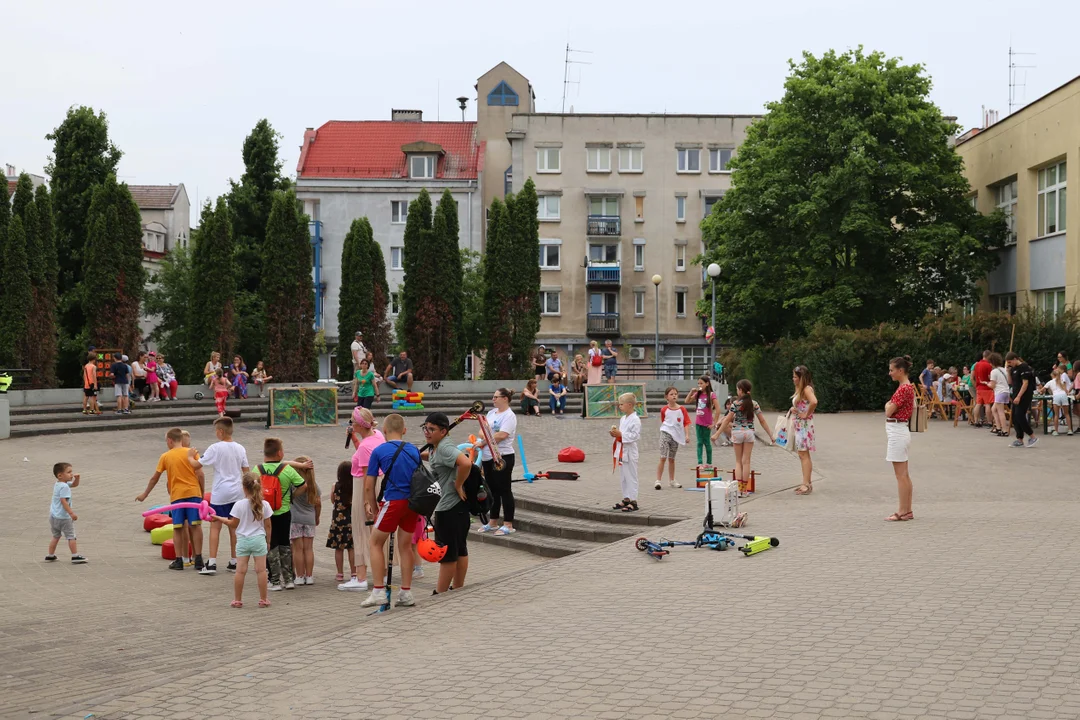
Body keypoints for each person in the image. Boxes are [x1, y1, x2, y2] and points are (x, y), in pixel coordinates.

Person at [361, 414, 422, 608]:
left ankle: (378, 590)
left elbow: (369, 485)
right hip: (412, 503)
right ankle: (406, 593)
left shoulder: (379, 451)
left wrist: (373, 505)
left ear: (384, 430)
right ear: (404, 430)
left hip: (393, 501)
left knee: (375, 543)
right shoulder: (414, 450)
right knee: (405, 546)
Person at [136, 427, 206, 571]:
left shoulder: (165, 456)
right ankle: (198, 559)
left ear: (169, 440)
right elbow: (200, 473)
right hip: (194, 494)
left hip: (177, 496)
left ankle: (179, 560)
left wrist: (145, 494)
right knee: (196, 525)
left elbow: (155, 478)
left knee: (178, 527)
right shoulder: (192, 453)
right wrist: (202, 493)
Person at [186, 417, 249, 575]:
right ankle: (235, 561)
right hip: (237, 492)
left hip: (220, 492)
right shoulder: (240, 448)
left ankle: (212, 562)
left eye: (216, 431)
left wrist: (189, 456)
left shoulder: (215, 448)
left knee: (215, 526)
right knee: (234, 527)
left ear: (220, 432)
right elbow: (246, 471)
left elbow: (196, 465)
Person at [422, 412, 474, 594]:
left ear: (443, 431)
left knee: (447, 553)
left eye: (432, 429)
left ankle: (440, 593)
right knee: (459, 548)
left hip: (449, 507)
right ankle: (457, 588)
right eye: (425, 428)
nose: (427, 432)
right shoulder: (437, 447)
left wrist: (458, 484)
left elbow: (465, 464)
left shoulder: (444, 448)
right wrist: (418, 455)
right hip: (456, 507)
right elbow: (437, 458)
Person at [209, 472, 272, 608]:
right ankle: (263, 599)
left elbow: (233, 524)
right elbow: (268, 526)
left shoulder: (238, 505)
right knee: (261, 570)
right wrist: (268, 541)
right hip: (259, 539)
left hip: (243, 541)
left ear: (244, 488)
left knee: (240, 571)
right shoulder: (265, 505)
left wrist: (218, 518)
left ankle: (237, 600)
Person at [341, 406, 384, 591]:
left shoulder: (367, 445)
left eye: (353, 420)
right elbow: (365, 453)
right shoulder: (377, 435)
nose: (351, 423)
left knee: (360, 529)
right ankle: (374, 573)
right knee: (374, 530)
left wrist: (367, 501)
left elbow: (368, 475)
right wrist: (354, 438)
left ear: (359, 424)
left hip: (364, 487)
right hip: (377, 485)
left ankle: (360, 578)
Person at [474, 389, 518, 535]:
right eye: (493, 397)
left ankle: (508, 524)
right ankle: (492, 521)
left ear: (505, 398)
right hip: (487, 456)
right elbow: (482, 430)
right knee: (492, 490)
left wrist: (485, 440)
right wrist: (487, 438)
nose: (493, 399)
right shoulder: (492, 413)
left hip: (502, 456)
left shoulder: (509, 416)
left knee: (504, 489)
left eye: (496, 397)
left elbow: (502, 435)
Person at [719, 379, 773, 496]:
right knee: (746, 461)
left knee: (738, 462)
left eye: (738, 389)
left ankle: (738, 490)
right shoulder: (754, 404)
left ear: (740, 390)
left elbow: (727, 419)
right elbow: (762, 420)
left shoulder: (735, 404)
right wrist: (771, 435)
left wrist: (717, 433)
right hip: (749, 433)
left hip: (737, 433)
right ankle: (744, 490)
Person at [884, 356, 916, 522]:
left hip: (897, 431)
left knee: (900, 475)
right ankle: (907, 509)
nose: (890, 373)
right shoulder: (906, 387)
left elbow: (889, 410)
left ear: (900, 370)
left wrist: (887, 406)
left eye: (892, 370)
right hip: (899, 430)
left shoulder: (904, 389)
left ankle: (902, 511)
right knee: (904, 474)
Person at [46, 462, 87, 564]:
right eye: (69, 472)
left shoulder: (59, 484)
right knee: (71, 536)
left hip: (53, 516)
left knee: (56, 536)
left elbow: (74, 485)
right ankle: (75, 556)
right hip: (63, 517)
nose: (71, 474)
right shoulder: (64, 487)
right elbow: (63, 501)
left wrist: (77, 479)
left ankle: (50, 555)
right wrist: (71, 513)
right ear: (60, 475)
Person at [289, 456, 321, 585]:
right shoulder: (314, 485)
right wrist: (317, 517)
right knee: (308, 549)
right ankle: (309, 576)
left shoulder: (293, 484)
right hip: (309, 519)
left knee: (297, 549)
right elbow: (318, 503)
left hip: (295, 518)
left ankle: (299, 576)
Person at [327, 461, 357, 588]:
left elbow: (332, 500)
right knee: (351, 547)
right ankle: (354, 572)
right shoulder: (354, 486)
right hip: (351, 520)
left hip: (338, 521)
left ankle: (339, 573)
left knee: (338, 548)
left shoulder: (335, 485)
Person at [610, 392, 642, 512]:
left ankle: (634, 501)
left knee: (631, 476)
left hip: (630, 451)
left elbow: (635, 436)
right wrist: (615, 434)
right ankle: (626, 498)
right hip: (622, 451)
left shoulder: (636, 420)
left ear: (629, 405)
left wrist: (621, 435)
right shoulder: (623, 418)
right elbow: (622, 434)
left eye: (621, 404)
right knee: (623, 477)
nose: (620, 406)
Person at [655, 386, 690, 490]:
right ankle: (658, 480)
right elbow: (664, 420)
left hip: (676, 436)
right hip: (665, 433)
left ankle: (672, 480)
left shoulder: (682, 409)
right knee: (663, 457)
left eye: (675, 394)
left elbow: (686, 422)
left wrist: (687, 435)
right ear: (666, 397)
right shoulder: (664, 409)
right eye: (671, 394)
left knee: (672, 459)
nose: (674, 396)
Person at [791, 365, 818, 495]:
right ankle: (806, 482)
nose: (793, 379)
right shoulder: (802, 390)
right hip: (801, 424)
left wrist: (806, 414)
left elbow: (814, 402)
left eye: (795, 377)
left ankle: (806, 484)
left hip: (804, 425)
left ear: (801, 378)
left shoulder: (806, 389)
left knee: (803, 454)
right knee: (803, 454)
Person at [685, 376, 720, 467]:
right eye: (698, 383)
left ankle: (709, 463)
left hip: (707, 423)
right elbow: (687, 401)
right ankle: (700, 462)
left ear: (707, 384)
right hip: (698, 422)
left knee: (707, 442)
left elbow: (718, 410)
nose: (699, 385)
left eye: (701, 383)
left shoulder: (712, 395)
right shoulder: (698, 394)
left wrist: (714, 423)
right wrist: (691, 392)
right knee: (699, 442)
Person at [1005, 352, 1037, 448]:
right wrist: (1008, 371)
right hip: (1015, 394)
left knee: (1019, 415)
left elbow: (1025, 383)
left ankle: (1032, 436)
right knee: (1014, 417)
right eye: (1008, 363)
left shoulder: (1024, 367)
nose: (1010, 364)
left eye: (1010, 362)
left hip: (1024, 394)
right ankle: (1019, 439)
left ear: (1015, 359)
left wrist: (1019, 396)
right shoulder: (1013, 369)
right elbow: (1010, 382)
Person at [1044, 365, 1073, 436]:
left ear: (1052, 376)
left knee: (1056, 415)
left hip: (1056, 396)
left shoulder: (1050, 382)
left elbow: (1042, 390)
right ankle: (1070, 430)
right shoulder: (1062, 381)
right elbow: (1066, 390)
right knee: (1067, 414)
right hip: (1063, 396)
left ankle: (1056, 431)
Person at [987, 352, 1011, 436]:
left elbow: (992, 385)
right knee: (993, 409)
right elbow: (1008, 381)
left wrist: (987, 383)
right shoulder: (1004, 369)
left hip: (999, 392)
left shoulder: (994, 372)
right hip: (1006, 391)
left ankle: (1004, 430)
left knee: (1000, 412)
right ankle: (998, 427)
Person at [972, 351, 994, 427]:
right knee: (987, 404)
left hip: (979, 387)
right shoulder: (988, 365)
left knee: (978, 404)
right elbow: (989, 377)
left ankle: (975, 421)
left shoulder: (976, 365)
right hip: (986, 387)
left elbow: (974, 376)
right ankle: (989, 422)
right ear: (988, 356)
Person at [351, 331, 368, 399]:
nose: (360, 337)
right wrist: (358, 363)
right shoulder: (354, 344)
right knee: (356, 378)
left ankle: (361, 392)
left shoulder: (360, 343)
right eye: (359, 336)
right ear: (356, 336)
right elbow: (355, 354)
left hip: (363, 363)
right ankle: (354, 393)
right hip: (358, 363)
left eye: (361, 336)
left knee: (362, 378)